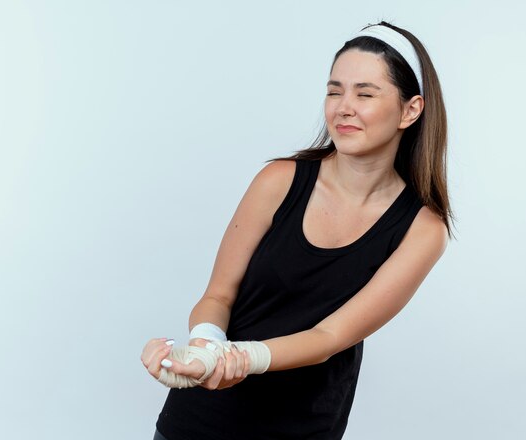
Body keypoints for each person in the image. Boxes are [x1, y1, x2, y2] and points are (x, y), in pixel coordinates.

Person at [141, 19, 453, 439]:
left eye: (365, 93)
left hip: (302, 428)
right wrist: (206, 347)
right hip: (198, 422)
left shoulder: (422, 229)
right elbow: (217, 296)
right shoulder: (279, 180)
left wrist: (243, 358)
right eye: (334, 90)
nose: (344, 106)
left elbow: (329, 336)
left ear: (410, 109)